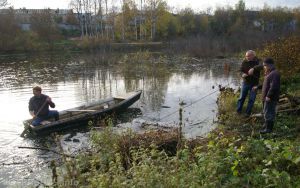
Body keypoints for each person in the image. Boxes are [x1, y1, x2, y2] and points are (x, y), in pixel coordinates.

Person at [258, 58, 280, 134]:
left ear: (269, 65)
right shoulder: (269, 73)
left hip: (270, 98)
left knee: (269, 113)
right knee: (266, 112)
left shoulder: (274, 73)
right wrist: (257, 87)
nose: (264, 67)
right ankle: (267, 126)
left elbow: (274, 86)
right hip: (266, 98)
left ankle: (268, 129)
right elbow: (266, 84)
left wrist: (269, 96)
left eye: (265, 65)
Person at [237, 50, 261, 116]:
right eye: (246, 56)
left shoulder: (258, 61)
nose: (247, 57)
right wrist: (242, 74)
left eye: (248, 56)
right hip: (245, 82)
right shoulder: (244, 61)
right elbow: (239, 71)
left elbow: (262, 66)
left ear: (253, 55)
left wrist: (254, 68)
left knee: (251, 99)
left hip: (254, 83)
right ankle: (238, 111)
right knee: (241, 98)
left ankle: (247, 113)